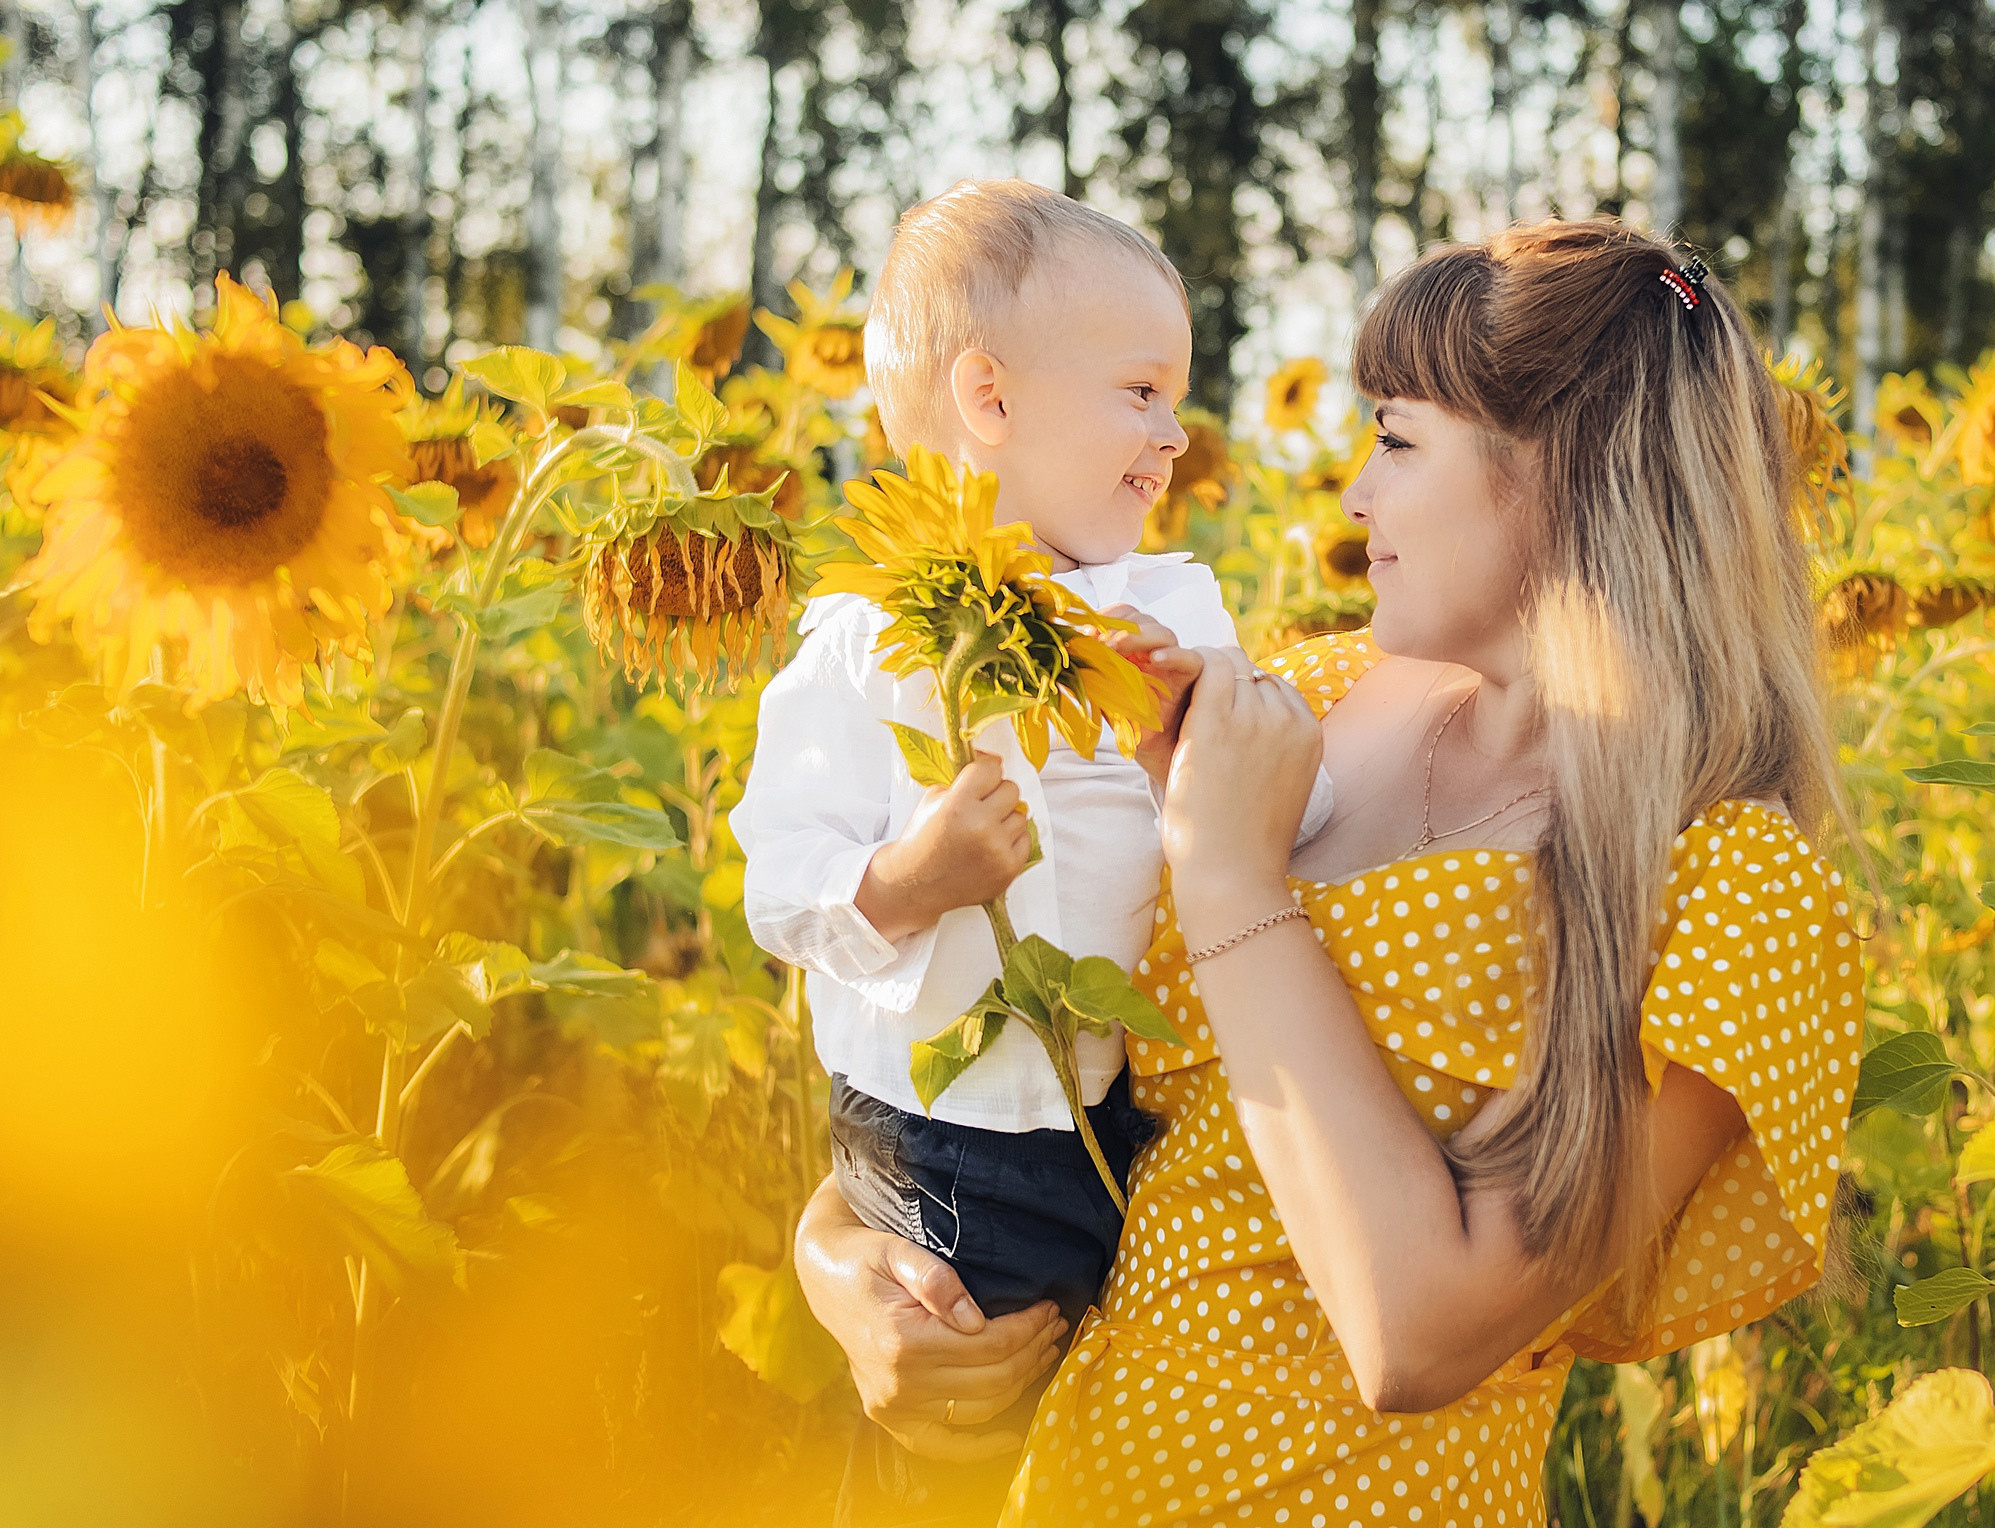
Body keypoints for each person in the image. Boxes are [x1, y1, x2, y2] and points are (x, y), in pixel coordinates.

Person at [795, 218, 1865, 1526]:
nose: (1355, 498)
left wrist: (1234, 881)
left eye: (1398, 440)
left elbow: (1418, 1335)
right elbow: (996, 1064)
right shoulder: (1286, 699)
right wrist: (846, 1266)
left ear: (1566, 475)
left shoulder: (1732, 881)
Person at [731, 179, 1330, 1524]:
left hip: (1113, 1116)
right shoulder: (865, 639)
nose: (1175, 436)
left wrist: (1194, 716)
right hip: (947, 1144)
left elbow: (1273, 793)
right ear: (989, 398)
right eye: (1141, 392)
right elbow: (782, 879)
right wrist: (910, 880)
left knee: (1083, 1444)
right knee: (954, 1434)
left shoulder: (1169, 603)